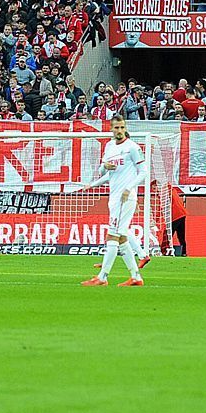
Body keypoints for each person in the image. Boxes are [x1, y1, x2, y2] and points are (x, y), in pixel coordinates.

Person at [83, 116, 147, 286]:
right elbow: (102, 170)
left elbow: (143, 172)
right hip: (114, 197)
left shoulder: (132, 147)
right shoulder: (110, 146)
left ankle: (102, 277)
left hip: (124, 197)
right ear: (111, 129)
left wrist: (129, 188)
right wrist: (104, 170)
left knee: (112, 234)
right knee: (122, 237)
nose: (119, 131)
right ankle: (135, 276)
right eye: (116, 128)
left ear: (125, 128)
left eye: (122, 127)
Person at [169, 183, 187, 256]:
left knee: (169, 234)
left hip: (176, 215)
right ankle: (184, 252)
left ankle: (166, 250)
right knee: (181, 235)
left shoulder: (166, 192)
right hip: (182, 214)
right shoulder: (173, 191)